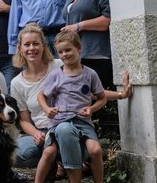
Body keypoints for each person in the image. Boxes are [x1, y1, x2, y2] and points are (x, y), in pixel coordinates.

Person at [35, 32, 106, 183]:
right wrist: (47, 109)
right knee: (49, 151)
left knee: (96, 150)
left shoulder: (90, 74)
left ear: (79, 48)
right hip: (59, 122)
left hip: (83, 121)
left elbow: (102, 98)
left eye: (68, 50)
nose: (64, 54)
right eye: (60, 52)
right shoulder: (55, 75)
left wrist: (92, 109)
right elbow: (41, 96)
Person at [10, 24, 62, 169]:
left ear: (43, 46)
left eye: (36, 43)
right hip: (42, 131)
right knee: (14, 153)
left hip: (65, 125)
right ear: (20, 49)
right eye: (27, 44)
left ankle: (60, 161)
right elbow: (24, 121)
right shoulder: (16, 83)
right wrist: (37, 134)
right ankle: (61, 161)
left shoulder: (58, 66)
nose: (32, 48)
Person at [60, 0, 113, 89]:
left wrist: (78, 26)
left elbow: (107, 20)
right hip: (76, 56)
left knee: (94, 99)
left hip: (96, 54)